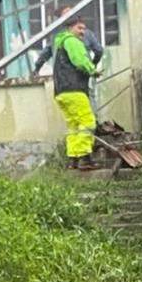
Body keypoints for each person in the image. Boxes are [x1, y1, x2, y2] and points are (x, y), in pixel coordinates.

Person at [48, 17, 101, 170]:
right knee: (88, 122)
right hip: (74, 89)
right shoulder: (72, 41)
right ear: (70, 28)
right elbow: (80, 61)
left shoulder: (59, 44)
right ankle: (85, 158)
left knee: (74, 126)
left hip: (61, 92)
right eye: (80, 28)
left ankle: (73, 159)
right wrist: (93, 71)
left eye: (84, 29)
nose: (83, 32)